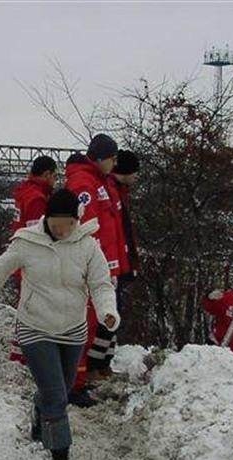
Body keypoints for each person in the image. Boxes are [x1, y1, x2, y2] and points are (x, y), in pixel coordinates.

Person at [0, 189, 119, 460]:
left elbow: (101, 285)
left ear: (77, 220)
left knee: (56, 389)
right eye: (58, 223)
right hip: (36, 328)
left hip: (73, 331)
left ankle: (40, 407)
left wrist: (108, 313)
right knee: (58, 398)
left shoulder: (88, 246)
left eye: (69, 224)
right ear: (47, 219)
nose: (63, 230)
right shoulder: (27, 243)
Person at [64, 133, 121, 405]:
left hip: (98, 267)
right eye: (112, 158)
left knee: (89, 326)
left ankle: (78, 381)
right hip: (87, 269)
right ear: (101, 158)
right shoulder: (84, 184)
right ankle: (73, 385)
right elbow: (86, 229)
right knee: (81, 328)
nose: (114, 163)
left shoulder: (99, 182)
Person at [93, 149, 142, 377]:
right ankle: (96, 364)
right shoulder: (110, 191)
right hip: (110, 265)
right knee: (108, 315)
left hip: (118, 263)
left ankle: (104, 362)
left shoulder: (117, 191)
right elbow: (114, 233)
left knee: (114, 315)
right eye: (135, 172)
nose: (137, 177)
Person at [8, 155, 58, 364]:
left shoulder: (24, 192)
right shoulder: (37, 198)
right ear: (46, 174)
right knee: (32, 307)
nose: (56, 181)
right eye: (54, 176)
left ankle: (21, 351)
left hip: (20, 257)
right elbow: (37, 235)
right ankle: (24, 353)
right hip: (31, 262)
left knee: (27, 304)